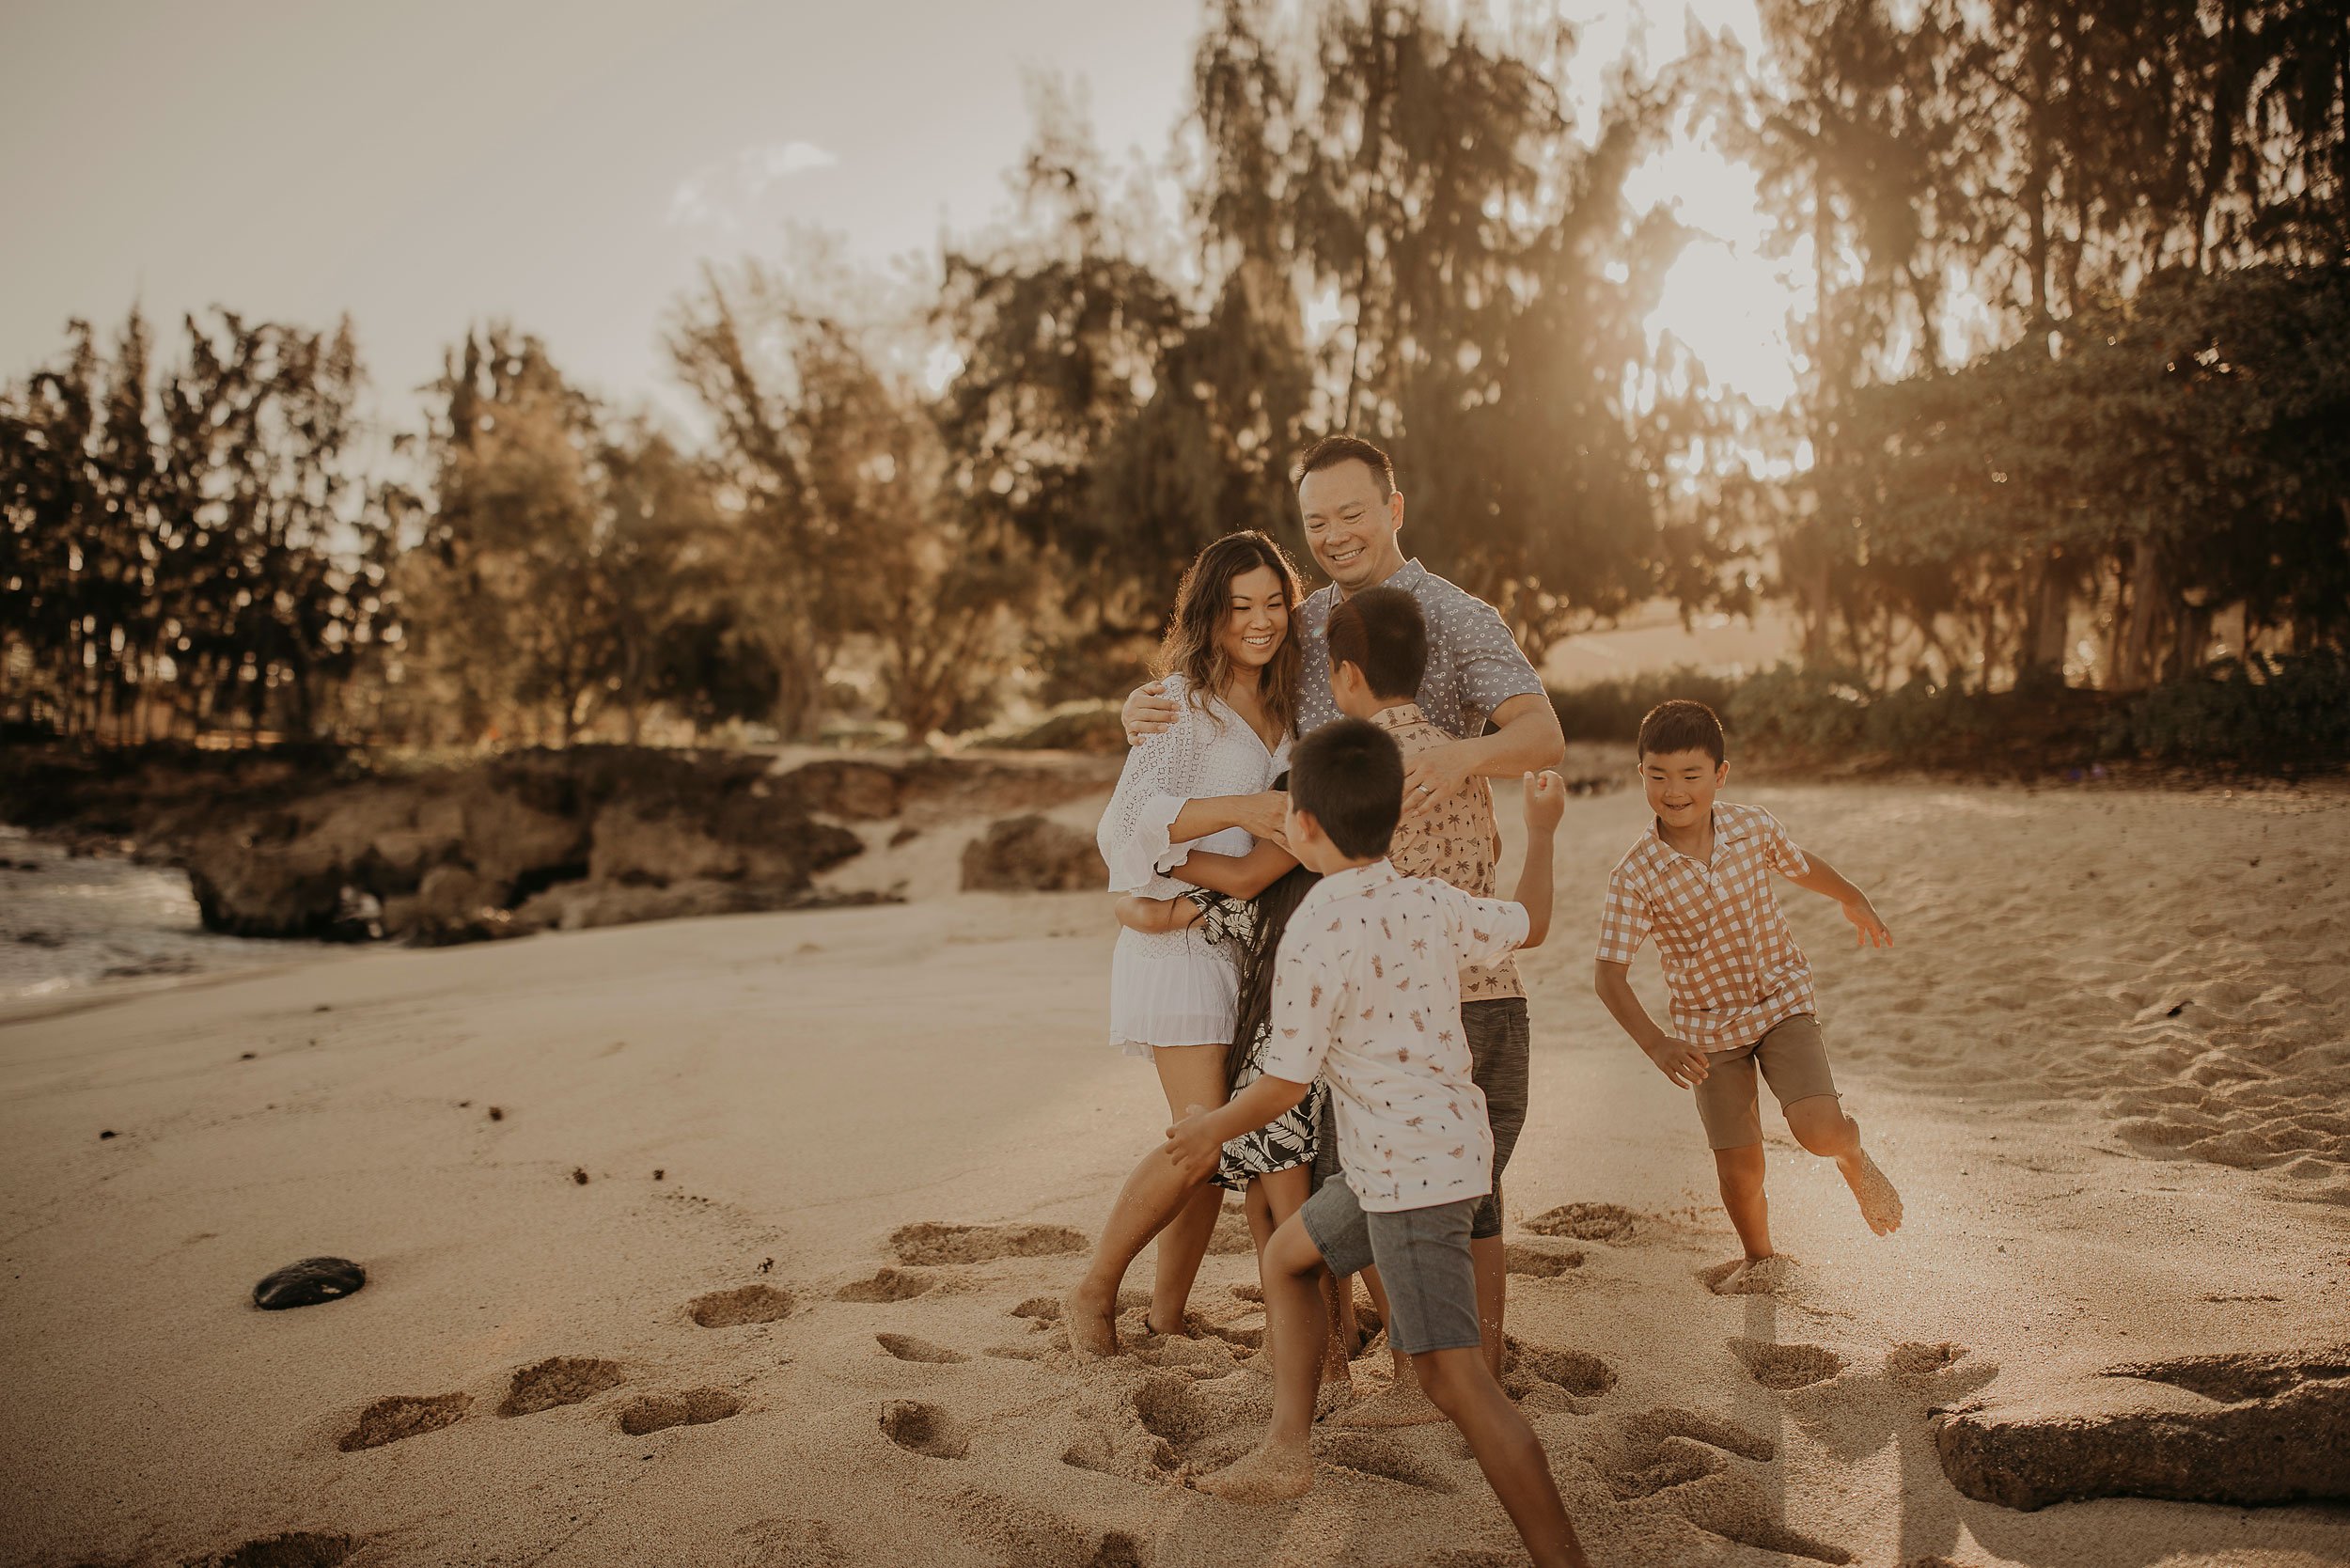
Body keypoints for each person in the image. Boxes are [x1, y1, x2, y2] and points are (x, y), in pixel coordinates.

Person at [1161, 720, 1587, 1567]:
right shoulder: (1424, 896)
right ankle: (1289, 1448)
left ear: (1303, 825)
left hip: (1409, 1177)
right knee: (1288, 1256)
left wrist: (1210, 1127)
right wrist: (1541, 834)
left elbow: (1284, 1085)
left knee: (1454, 1379)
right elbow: (1531, 926)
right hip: (1428, 1156)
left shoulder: (1318, 925)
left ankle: (1563, 1558)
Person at [1070, 530, 1303, 1356]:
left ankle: (1166, 1317)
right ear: (1208, 616)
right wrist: (1239, 811)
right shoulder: (1179, 703)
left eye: (1274, 602)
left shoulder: (1290, 702)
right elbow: (1124, 828)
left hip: (1241, 946)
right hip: (1180, 941)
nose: (1260, 620)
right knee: (1202, 1134)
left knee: (1207, 1143)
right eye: (1240, 606)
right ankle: (1094, 1290)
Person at [1592, 699, 1904, 1291]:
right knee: (1740, 1170)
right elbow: (1608, 974)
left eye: (1690, 775)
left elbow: (1799, 864)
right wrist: (1657, 1043)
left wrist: (1851, 893)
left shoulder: (1752, 827)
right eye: (1657, 776)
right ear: (1641, 776)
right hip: (1709, 1034)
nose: (1674, 791)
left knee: (1818, 1131)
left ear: (1720, 775)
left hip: (1780, 1001)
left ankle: (1851, 1153)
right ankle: (1762, 1260)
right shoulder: (1634, 875)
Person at [1312, 586, 1528, 1426]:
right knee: (1475, 1188)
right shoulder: (1460, 760)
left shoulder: (1354, 767)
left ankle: (1408, 1374)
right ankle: (1486, 1359)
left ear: (1346, 675)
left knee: (1367, 1176)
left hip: (1409, 1017)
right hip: (1498, 1000)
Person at [1120, 434, 1565, 811]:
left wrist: (1459, 758)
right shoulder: (1296, 623)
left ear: (1394, 511)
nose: (1335, 537)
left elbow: (1543, 736)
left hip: (1424, 881)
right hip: (1306, 884)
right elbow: (1224, 693)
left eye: (1352, 516)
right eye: (1317, 523)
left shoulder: (1460, 616)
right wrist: (1144, 707)